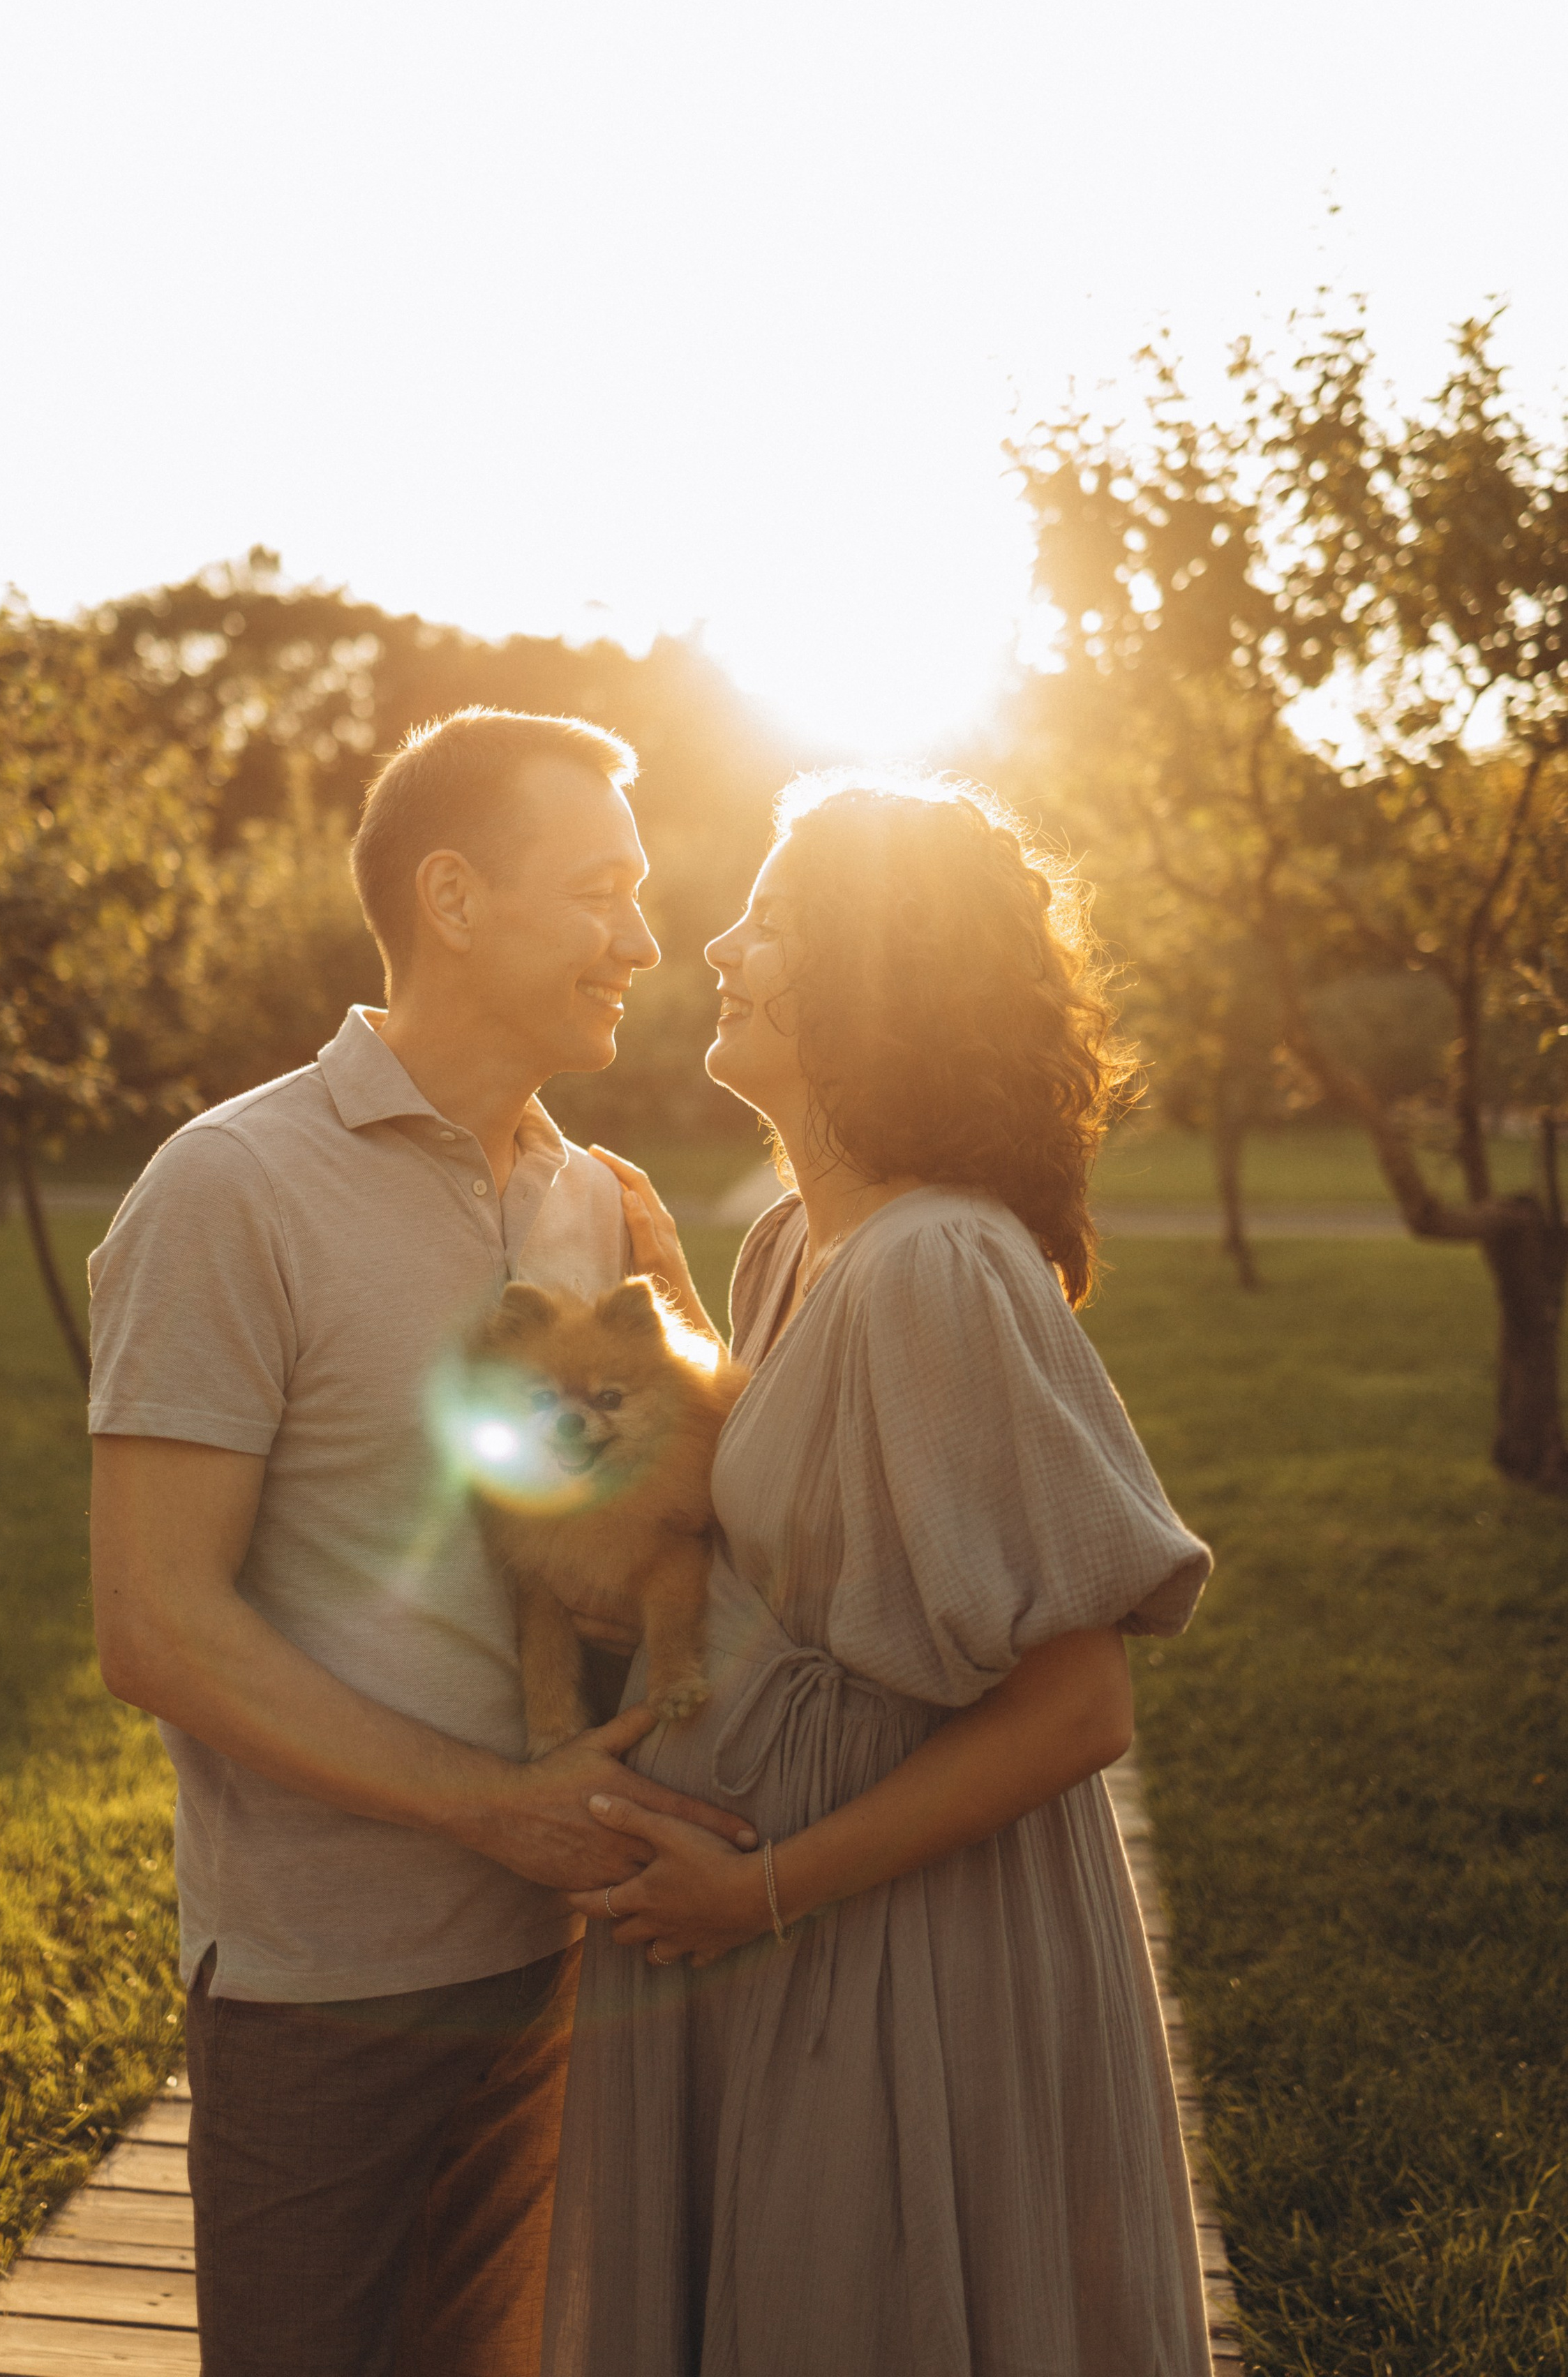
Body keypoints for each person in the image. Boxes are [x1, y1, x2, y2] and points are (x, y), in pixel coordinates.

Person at [86, 708, 757, 2377]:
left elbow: (664, 1531)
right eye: (602, 887)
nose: (644, 937)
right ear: (452, 900)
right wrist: (499, 1810)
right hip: (329, 1987)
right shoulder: (225, 1188)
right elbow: (153, 1626)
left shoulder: (589, 1202)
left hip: (560, 1965)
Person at [544, 770, 1217, 2377]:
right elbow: (809, 1487)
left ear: (875, 978)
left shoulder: (937, 1264)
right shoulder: (796, 1242)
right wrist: (667, 1306)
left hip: (892, 1943)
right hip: (782, 1933)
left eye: (767, 922)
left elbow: (1078, 1712)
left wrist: (757, 1890)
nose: (715, 942)